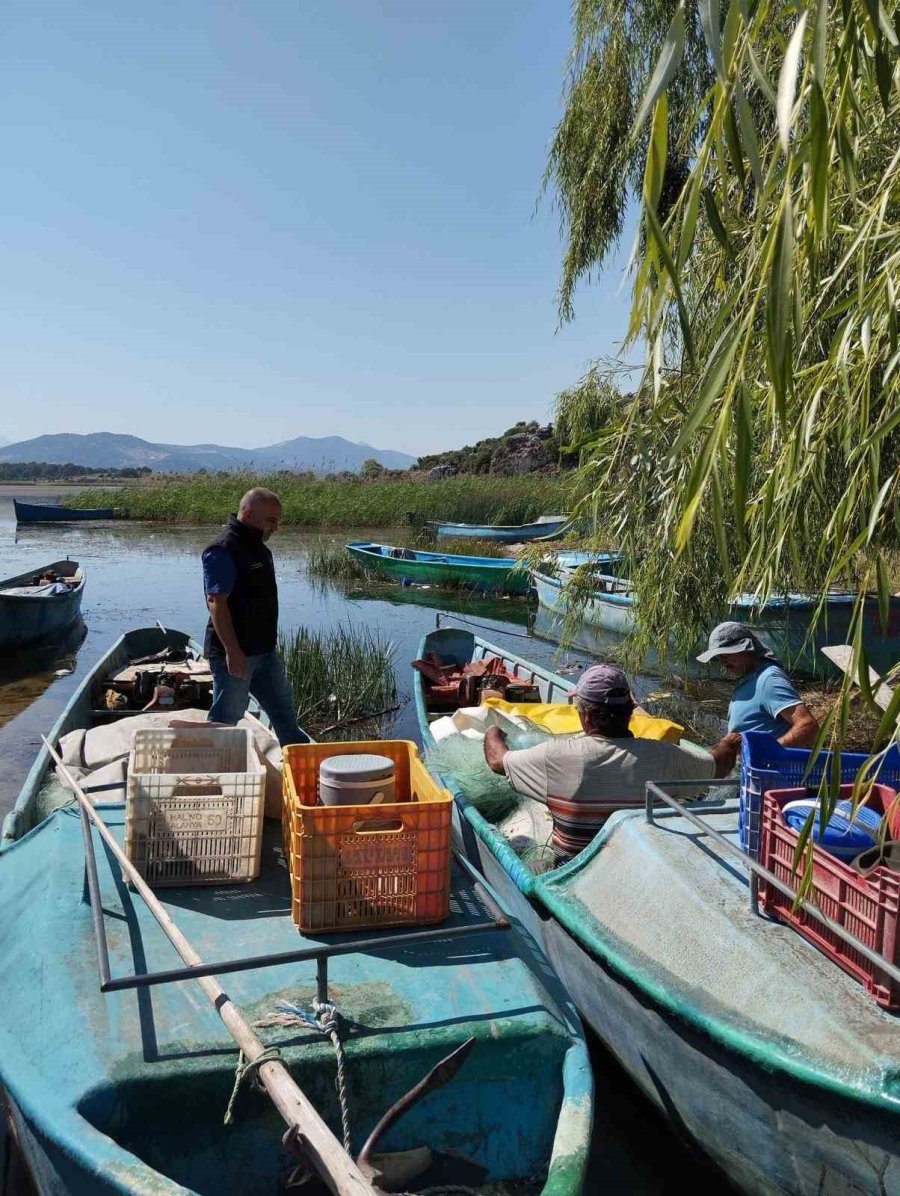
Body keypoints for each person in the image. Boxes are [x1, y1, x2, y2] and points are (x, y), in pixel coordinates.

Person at [483, 663, 738, 861]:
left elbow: (497, 761)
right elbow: (717, 767)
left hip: (571, 870)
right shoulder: (665, 756)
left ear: (584, 714)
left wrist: (493, 731)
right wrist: (727, 744)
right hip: (640, 868)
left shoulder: (555, 756)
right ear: (630, 711)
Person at [202, 487, 308, 746]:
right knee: (226, 718)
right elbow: (216, 602)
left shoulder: (258, 547)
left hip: (265, 653)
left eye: (277, 521)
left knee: (284, 712)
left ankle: (299, 763)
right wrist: (232, 651)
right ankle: (213, 770)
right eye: (271, 520)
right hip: (237, 655)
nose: (276, 528)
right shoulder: (222, 548)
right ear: (248, 514)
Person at [697, 621, 818, 747]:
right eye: (719, 656)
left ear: (747, 649)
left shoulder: (768, 679)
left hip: (770, 765)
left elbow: (807, 725)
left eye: (727, 654)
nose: (723, 661)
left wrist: (768, 753)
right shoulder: (748, 678)